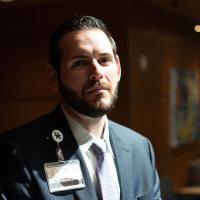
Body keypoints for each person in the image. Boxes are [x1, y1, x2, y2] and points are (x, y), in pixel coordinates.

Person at [0, 15, 161, 200]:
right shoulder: (16, 152)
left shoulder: (140, 147)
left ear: (117, 68)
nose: (97, 73)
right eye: (80, 63)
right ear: (54, 78)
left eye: (104, 60)